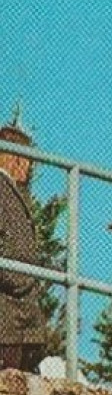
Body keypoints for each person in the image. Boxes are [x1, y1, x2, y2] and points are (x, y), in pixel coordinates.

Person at [0, 122, 47, 372]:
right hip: (7, 313)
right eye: (28, 161)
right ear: (15, 158)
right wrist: (17, 280)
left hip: (19, 316)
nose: (29, 169)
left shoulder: (11, 191)